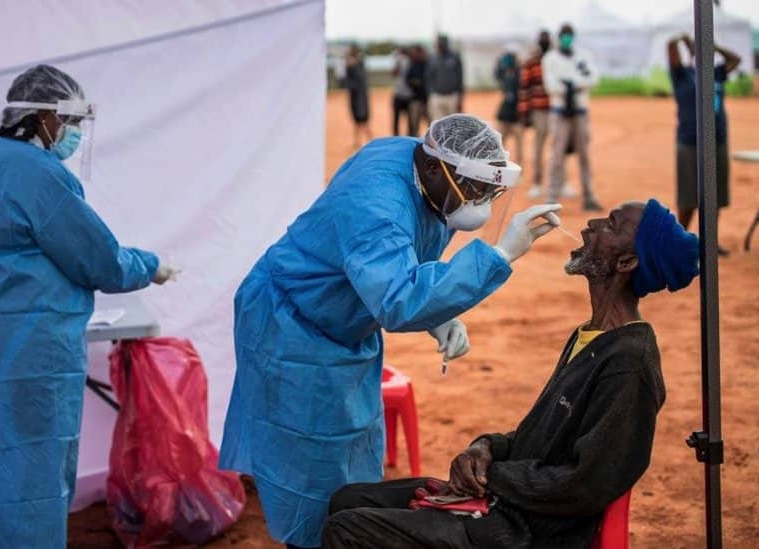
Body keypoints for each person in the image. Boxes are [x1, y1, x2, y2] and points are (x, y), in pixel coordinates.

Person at [219, 114, 564, 549]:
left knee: (352, 448)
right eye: (474, 188)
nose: (479, 202)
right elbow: (398, 299)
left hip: (345, 320)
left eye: (488, 191)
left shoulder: (417, 163)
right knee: (306, 462)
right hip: (292, 324)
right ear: (437, 169)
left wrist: (437, 313)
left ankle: (344, 528)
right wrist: (499, 256)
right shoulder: (377, 204)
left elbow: (402, 262)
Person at [322, 199, 700, 549]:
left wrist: (493, 478)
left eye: (610, 225)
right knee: (347, 499)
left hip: (524, 532)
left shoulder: (629, 364)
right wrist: (484, 447)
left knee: (348, 529)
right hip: (507, 504)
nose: (591, 224)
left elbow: (586, 484)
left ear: (626, 263)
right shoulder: (593, 336)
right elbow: (538, 437)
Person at [0, 65, 177, 547]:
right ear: (43, 117)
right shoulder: (38, 174)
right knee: (27, 482)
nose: (75, 134)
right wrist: (152, 265)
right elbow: (100, 261)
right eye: (72, 121)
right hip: (26, 357)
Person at [668, 33, 740, 256]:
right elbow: (670, 47)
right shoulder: (683, 74)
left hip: (717, 140)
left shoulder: (716, 73)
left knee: (714, 196)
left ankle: (709, 243)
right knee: (688, 197)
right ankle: (678, 243)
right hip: (690, 141)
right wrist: (683, 39)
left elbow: (735, 60)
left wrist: (713, 45)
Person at [543, 23, 601, 211]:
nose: (566, 38)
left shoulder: (583, 56)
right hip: (560, 113)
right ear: (558, 37)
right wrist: (576, 84)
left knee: (584, 155)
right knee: (556, 155)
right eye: (564, 35)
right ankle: (551, 198)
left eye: (569, 35)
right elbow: (552, 87)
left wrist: (570, 83)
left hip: (580, 112)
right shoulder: (550, 59)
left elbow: (594, 78)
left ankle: (589, 196)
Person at [519, 30, 552, 199]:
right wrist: (525, 113)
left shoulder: (556, 59)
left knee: (559, 148)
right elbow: (524, 88)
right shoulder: (532, 63)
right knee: (539, 148)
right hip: (539, 110)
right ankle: (537, 183)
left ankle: (560, 183)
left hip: (557, 110)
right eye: (543, 39)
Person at [426, 35, 465, 121]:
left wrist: (460, 96)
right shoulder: (433, 58)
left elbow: (460, 77)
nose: (439, 45)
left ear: (446, 43)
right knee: (437, 124)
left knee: (453, 124)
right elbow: (428, 77)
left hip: (452, 96)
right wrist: (431, 92)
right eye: (438, 43)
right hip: (436, 96)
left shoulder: (455, 57)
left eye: (441, 43)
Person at [495, 47, 523, 164]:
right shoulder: (504, 73)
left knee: (519, 145)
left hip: (517, 114)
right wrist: (499, 61)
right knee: (500, 143)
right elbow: (496, 73)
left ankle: (519, 169)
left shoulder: (520, 74)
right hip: (504, 113)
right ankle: (500, 165)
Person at [344, 44, 373, 148]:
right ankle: (358, 141)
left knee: (363, 120)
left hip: (360, 97)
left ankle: (370, 140)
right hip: (355, 97)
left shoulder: (358, 64)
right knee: (357, 121)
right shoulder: (352, 65)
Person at [406, 45, 430, 136]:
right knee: (414, 126)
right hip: (415, 99)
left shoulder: (428, 64)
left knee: (431, 124)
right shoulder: (412, 65)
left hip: (427, 99)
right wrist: (417, 83)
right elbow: (408, 80)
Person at [391, 47, 414, 136]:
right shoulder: (407, 61)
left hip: (405, 94)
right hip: (403, 94)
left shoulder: (409, 61)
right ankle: (407, 136)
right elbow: (394, 73)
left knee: (399, 119)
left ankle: (397, 136)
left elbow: (393, 73)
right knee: (406, 119)